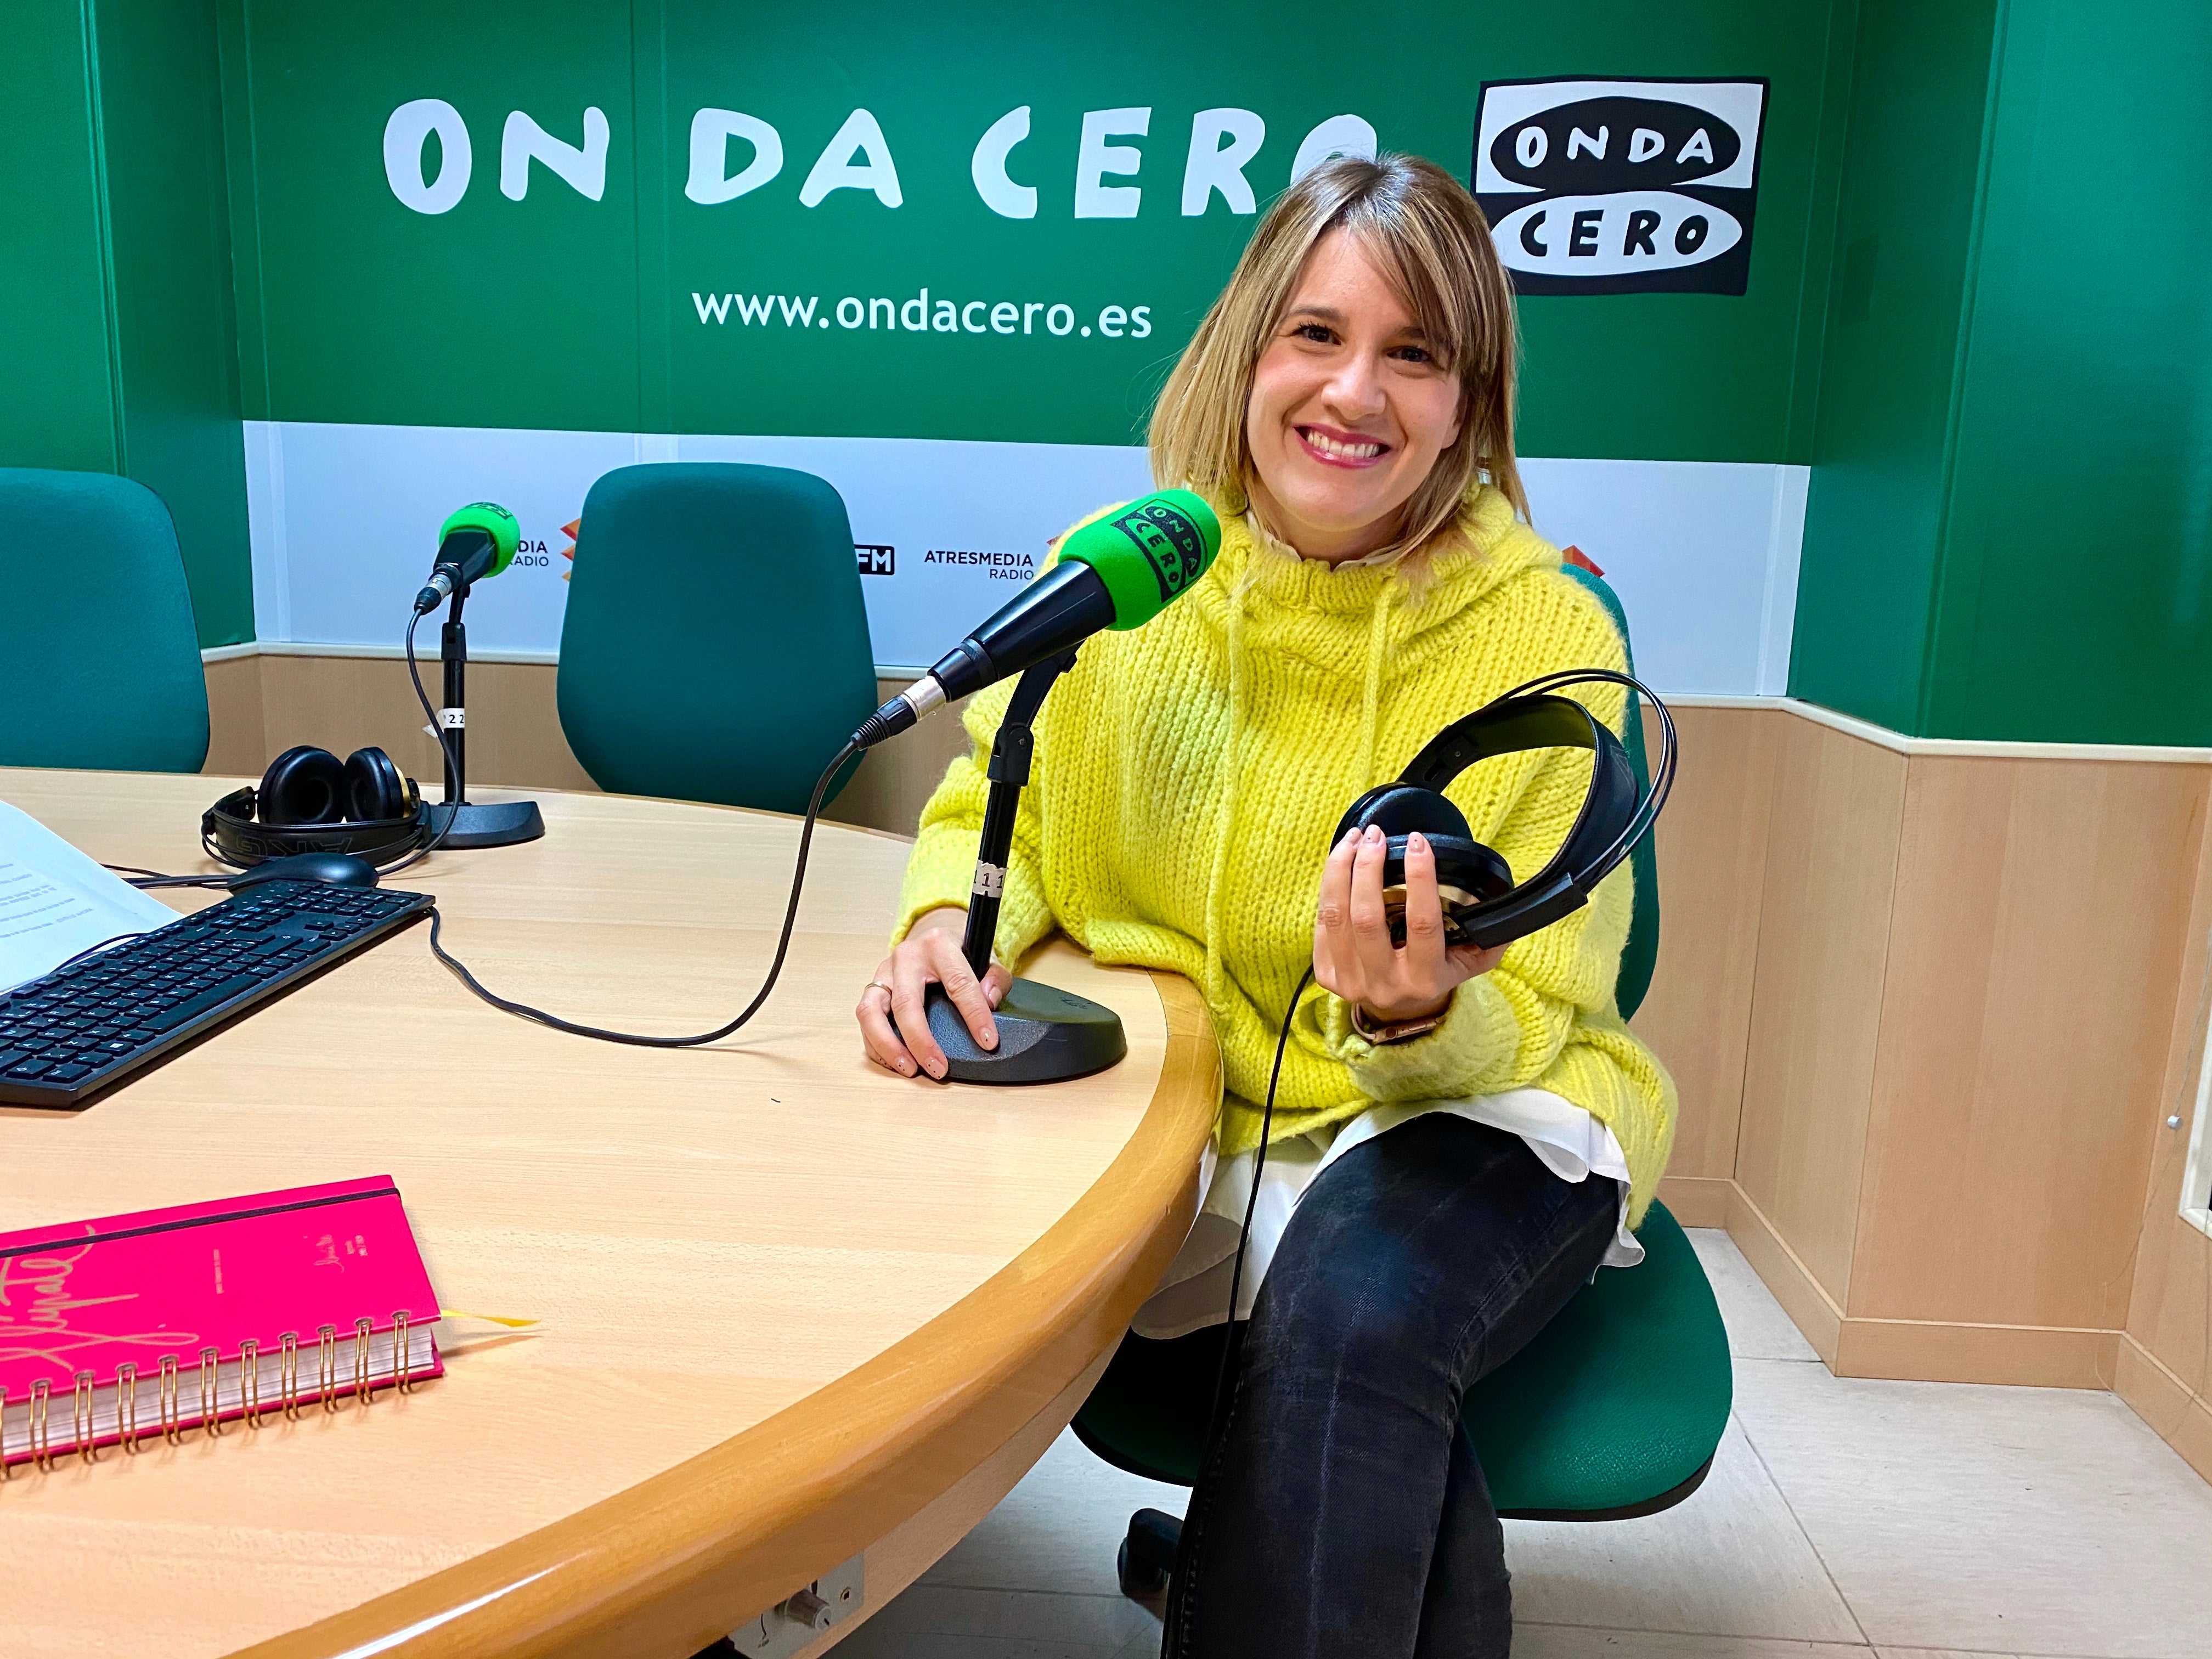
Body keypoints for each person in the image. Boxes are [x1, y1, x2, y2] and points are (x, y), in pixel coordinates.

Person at [854, 154, 1674, 1659]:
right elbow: (996, 805)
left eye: (1413, 353)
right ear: (1247, 349)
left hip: (1495, 1110)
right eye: (1316, 335)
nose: (1354, 392)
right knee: (1346, 1393)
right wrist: (937, 922)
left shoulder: (1546, 631)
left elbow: (1550, 1000)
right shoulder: (1126, 582)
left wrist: (1419, 1010)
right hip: (1210, 1117)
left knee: (1357, 1313)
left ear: (1468, 401)